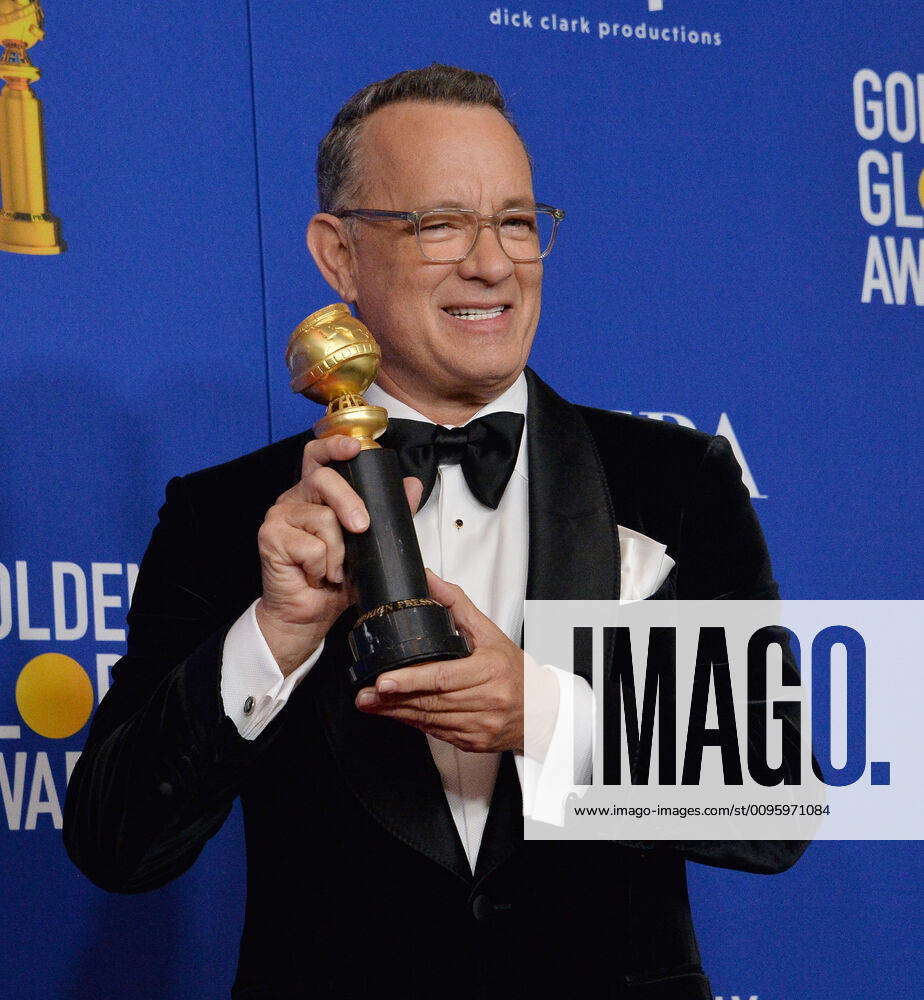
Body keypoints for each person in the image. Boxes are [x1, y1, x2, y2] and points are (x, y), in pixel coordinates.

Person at [64, 64, 806, 999]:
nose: (491, 262)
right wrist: (275, 635)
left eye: (516, 222)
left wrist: (542, 714)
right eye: (439, 224)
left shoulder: (674, 483)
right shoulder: (229, 515)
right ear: (338, 255)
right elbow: (114, 845)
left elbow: (774, 808)